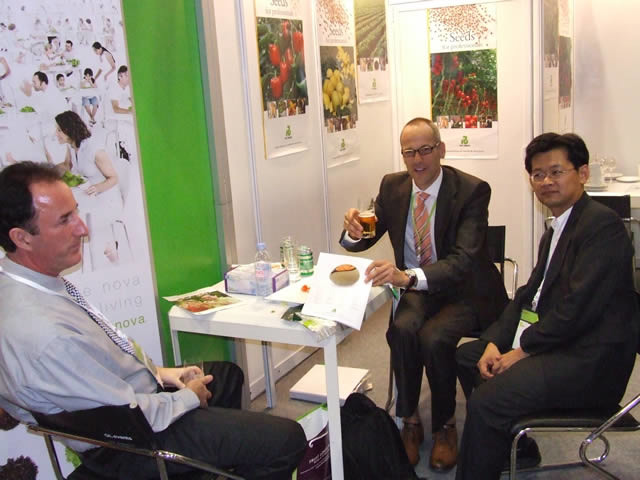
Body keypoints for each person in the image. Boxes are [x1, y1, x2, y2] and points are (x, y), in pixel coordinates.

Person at [0, 162, 307, 479]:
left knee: (225, 377)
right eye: (64, 220)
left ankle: (202, 466)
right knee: (286, 439)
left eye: (75, 213)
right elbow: (124, 418)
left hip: (125, 407)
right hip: (127, 443)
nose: (82, 229)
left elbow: (101, 369)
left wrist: (160, 374)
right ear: (22, 238)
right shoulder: (44, 334)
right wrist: (187, 398)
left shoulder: (27, 285)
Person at [455, 133, 640, 480]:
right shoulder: (558, 227)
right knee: (469, 357)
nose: (545, 182)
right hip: (560, 341)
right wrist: (495, 341)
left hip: (590, 361)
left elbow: (577, 310)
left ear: (582, 173)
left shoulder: (602, 227)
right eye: (537, 174)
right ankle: (516, 446)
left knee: (487, 400)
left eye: (556, 172)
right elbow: (528, 295)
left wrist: (521, 351)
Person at [340, 117, 508, 470]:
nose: (417, 159)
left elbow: (463, 261)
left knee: (434, 338)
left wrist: (407, 277)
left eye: (426, 150)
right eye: (409, 152)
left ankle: (445, 426)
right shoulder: (392, 186)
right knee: (402, 330)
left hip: (466, 290)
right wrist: (353, 232)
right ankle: (410, 420)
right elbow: (366, 237)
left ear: (441, 150)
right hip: (417, 286)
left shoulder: (472, 191)